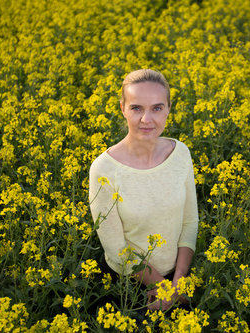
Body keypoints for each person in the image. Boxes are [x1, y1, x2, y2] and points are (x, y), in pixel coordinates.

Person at [88, 69, 199, 312]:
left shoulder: (180, 153)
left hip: (179, 279)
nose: (146, 119)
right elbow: (116, 250)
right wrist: (163, 287)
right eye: (137, 108)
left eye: (157, 108)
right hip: (127, 286)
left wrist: (179, 280)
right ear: (122, 109)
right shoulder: (104, 169)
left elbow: (190, 222)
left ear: (169, 108)